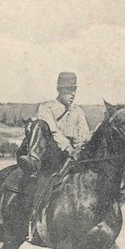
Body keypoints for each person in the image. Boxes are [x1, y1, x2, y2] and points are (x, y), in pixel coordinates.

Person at [16, 72, 91, 236]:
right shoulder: (47, 107)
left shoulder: (78, 111)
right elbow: (54, 132)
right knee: (41, 125)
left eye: (74, 90)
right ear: (59, 90)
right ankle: (33, 161)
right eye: (68, 90)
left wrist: (80, 149)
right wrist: (69, 149)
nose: (72, 94)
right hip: (48, 151)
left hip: (70, 154)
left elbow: (83, 136)